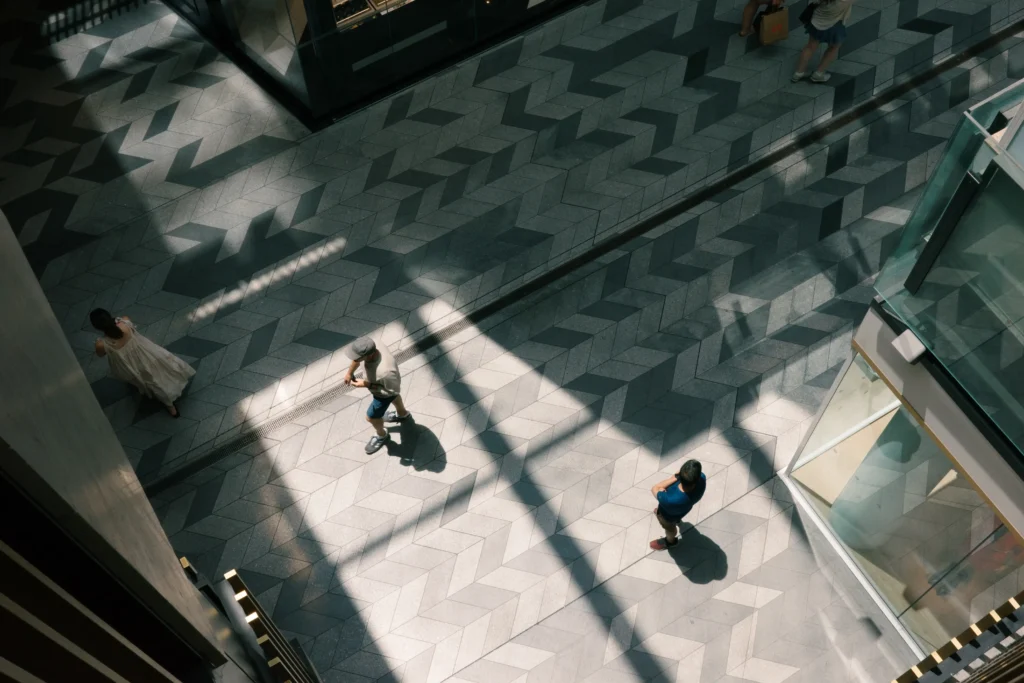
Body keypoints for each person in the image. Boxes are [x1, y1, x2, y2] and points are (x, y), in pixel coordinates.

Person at [90, 308, 195, 417]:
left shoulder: (101, 344)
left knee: (148, 381)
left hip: (128, 364)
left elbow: (101, 354)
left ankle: (169, 405)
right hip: (146, 353)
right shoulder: (125, 321)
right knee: (160, 371)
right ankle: (171, 402)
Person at [343, 337, 411, 454]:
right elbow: (357, 359)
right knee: (395, 396)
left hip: (384, 392)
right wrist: (349, 373)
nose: (354, 359)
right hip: (389, 383)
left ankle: (381, 435)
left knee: (371, 417)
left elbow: (390, 391)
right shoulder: (373, 344)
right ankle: (402, 414)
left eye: (357, 357)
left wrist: (366, 384)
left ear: (368, 356)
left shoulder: (385, 372)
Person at [792, 0, 854, 83]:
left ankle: (798, 73)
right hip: (835, 25)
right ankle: (818, 73)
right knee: (834, 47)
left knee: (810, 47)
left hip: (817, 21)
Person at [650, 459, 706, 550]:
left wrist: (675, 477)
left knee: (670, 528)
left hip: (667, 515)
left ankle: (670, 541)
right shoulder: (702, 478)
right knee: (676, 516)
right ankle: (677, 521)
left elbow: (654, 488)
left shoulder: (669, 500)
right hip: (683, 509)